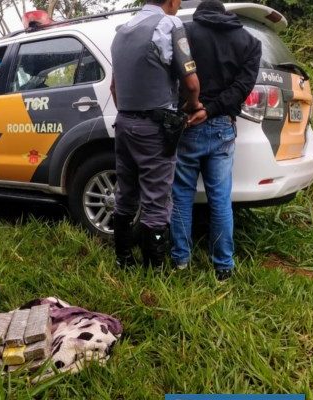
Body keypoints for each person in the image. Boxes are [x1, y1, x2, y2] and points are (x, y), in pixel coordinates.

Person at [170, 0, 262, 280]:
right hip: (223, 126)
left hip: (188, 122)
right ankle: (223, 267)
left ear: (200, 14)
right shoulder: (249, 41)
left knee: (182, 195)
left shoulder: (185, 33)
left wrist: (196, 107)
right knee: (221, 199)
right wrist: (211, 109)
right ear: (225, 14)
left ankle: (181, 263)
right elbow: (242, 88)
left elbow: (173, 76)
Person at [110, 0, 201, 268]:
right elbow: (191, 83)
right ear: (171, 1)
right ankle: (154, 269)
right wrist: (192, 104)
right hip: (155, 127)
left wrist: (130, 113)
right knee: (156, 199)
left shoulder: (121, 31)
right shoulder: (169, 24)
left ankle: (123, 259)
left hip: (124, 123)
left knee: (125, 194)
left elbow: (115, 87)